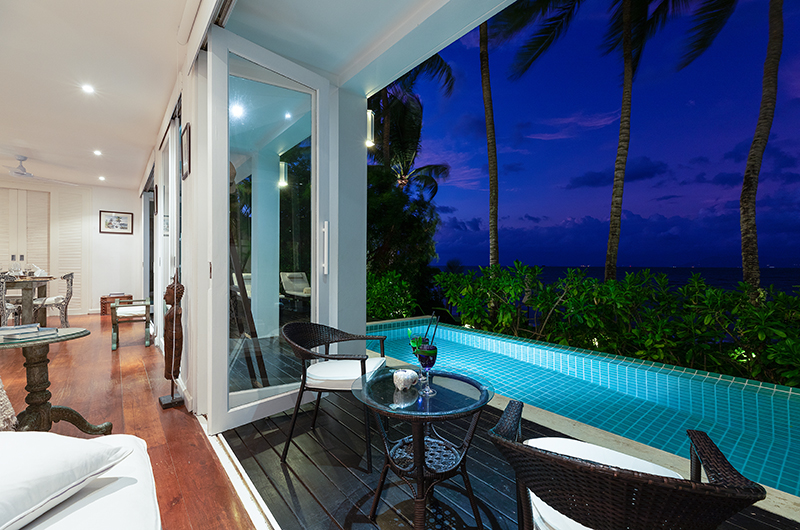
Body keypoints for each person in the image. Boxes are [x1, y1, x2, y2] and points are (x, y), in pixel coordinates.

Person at [164, 273, 184, 380]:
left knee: (172, 362)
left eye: (167, 294)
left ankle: (173, 373)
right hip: (169, 341)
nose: (164, 297)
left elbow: (176, 333)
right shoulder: (172, 310)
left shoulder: (176, 311)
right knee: (168, 360)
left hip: (173, 342)